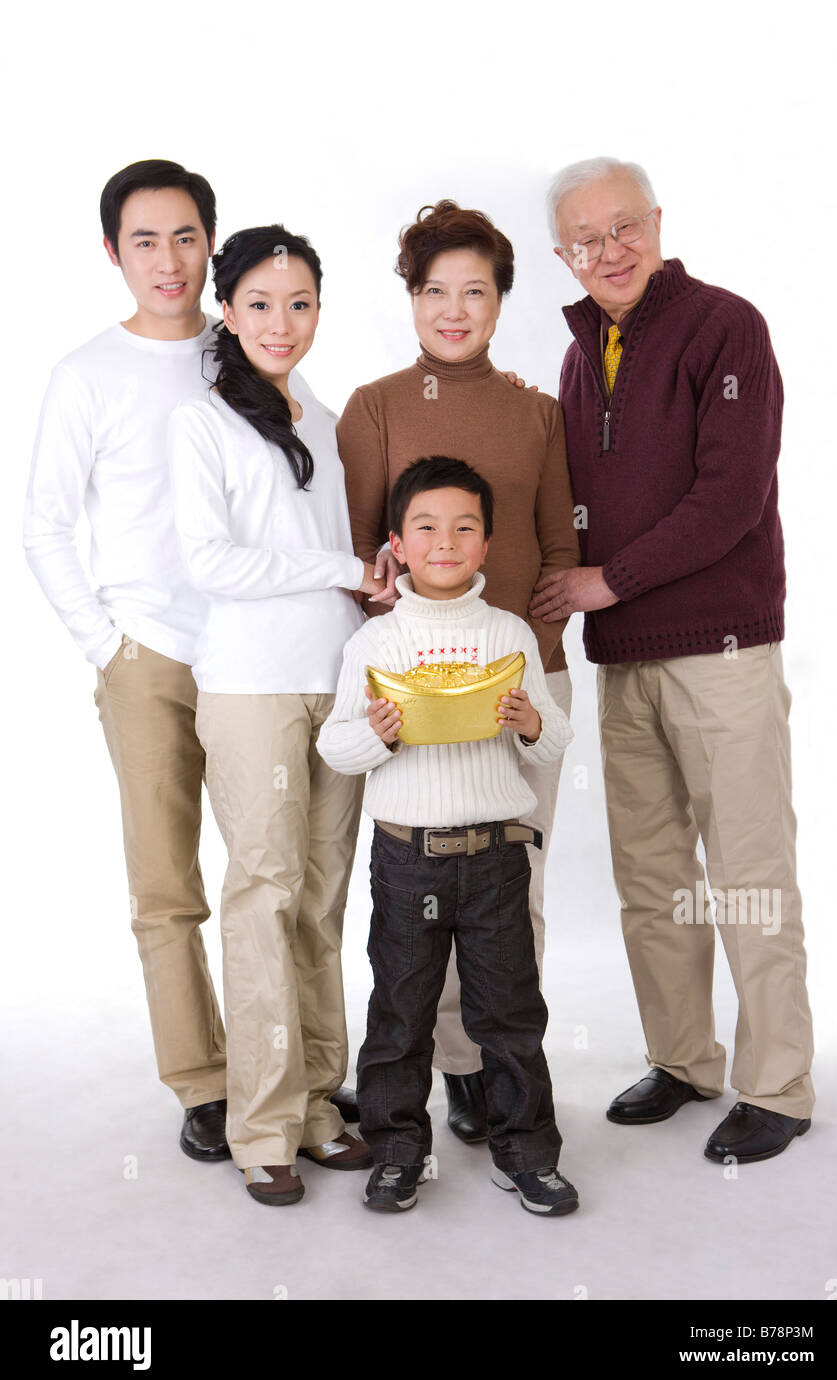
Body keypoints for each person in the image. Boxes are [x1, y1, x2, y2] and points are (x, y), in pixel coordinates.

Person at [532, 156, 814, 1163]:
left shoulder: (724, 325)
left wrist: (613, 579)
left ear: (656, 223)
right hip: (625, 657)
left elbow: (732, 495)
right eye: (585, 238)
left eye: (624, 227)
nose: (609, 251)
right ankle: (685, 1060)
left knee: (745, 870)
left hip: (721, 647)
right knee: (652, 871)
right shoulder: (578, 356)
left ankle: (776, 1084)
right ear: (563, 253)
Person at [337, 200, 579, 1145]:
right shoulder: (376, 407)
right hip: (409, 692)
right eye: (434, 290)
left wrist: (527, 663)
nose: (454, 309)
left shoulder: (537, 412)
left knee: (515, 888)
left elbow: (557, 547)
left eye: (475, 291)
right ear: (410, 297)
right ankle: (448, 1065)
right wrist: (404, 640)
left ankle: (496, 1062)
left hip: (522, 689)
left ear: (500, 300)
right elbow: (365, 553)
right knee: (424, 883)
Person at [22, 159, 234, 1163]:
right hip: (146, 657)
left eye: (185, 236)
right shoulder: (86, 374)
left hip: (250, 654)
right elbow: (44, 525)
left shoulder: (247, 350)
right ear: (113, 252)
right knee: (166, 885)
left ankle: (292, 1071)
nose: (168, 259)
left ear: (210, 243)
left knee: (280, 877)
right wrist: (109, 646)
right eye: (144, 240)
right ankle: (202, 1082)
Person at [169, 225, 384, 1205]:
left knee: (323, 897)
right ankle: (260, 1125)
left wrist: (369, 591)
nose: (281, 322)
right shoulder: (203, 423)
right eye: (260, 302)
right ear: (227, 310)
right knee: (264, 891)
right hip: (250, 688)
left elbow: (339, 564)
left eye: (299, 303)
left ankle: (317, 1103)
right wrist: (341, 568)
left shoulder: (331, 420)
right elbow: (211, 564)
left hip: (333, 683)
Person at [317, 457, 578, 1215]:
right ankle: (399, 1152)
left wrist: (530, 723)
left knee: (511, 1012)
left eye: (465, 527)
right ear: (397, 543)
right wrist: (378, 737)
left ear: (488, 544)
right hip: (408, 858)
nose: (445, 541)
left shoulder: (508, 632)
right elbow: (337, 748)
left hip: (498, 854)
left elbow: (553, 740)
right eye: (426, 527)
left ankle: (526, 1153)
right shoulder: (375, 644)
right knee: (401, 1014)